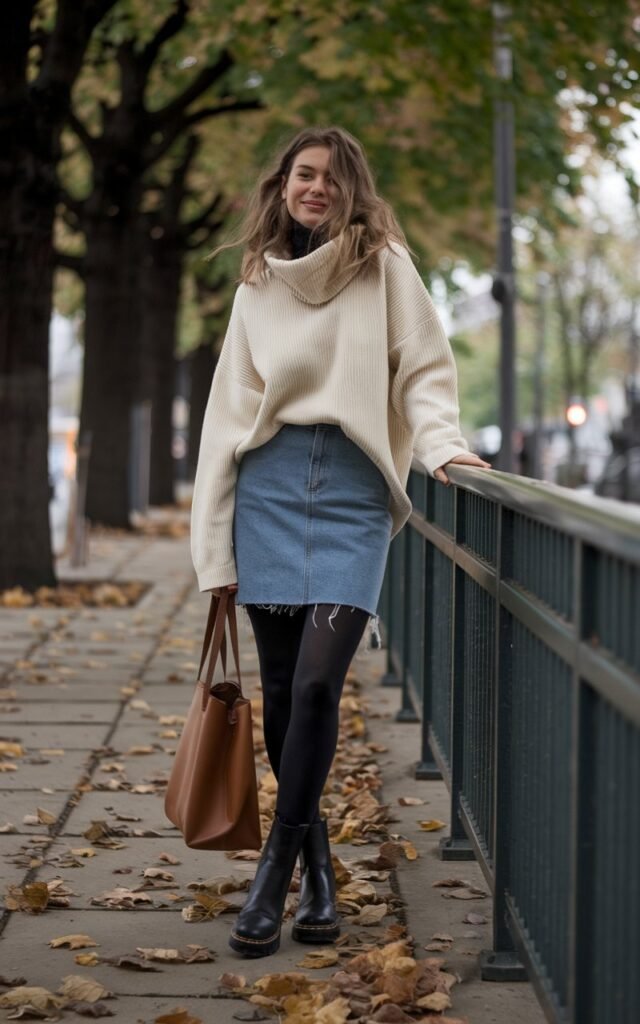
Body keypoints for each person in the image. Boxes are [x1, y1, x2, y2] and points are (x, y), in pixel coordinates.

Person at [190, 126, 491, 958]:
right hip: (270, 491)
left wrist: (441, 448)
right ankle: (320, 875)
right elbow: (224, 420)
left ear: (352, 187)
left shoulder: (384, 265)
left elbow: (422, 368)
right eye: (302, 174)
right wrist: (213, 552)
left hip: (355, 494)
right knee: (283, 694)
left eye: (330, 176)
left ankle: (273, 872)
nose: (315, 187)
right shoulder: (257, 284)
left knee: (320, 687)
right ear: (282, 185)